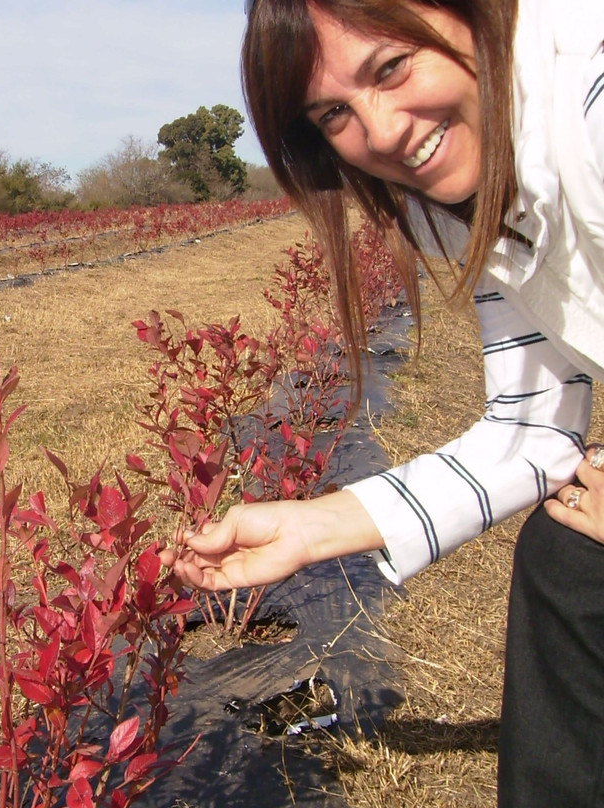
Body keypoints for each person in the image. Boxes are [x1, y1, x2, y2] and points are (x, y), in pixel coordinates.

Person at [159, 0, 604, 805]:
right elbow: (534, 427)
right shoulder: (464, 198)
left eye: (392, 67)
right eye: (334, 113)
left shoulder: (587, 96)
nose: (385, 131)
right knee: (569, 555)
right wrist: (310, 527)